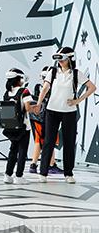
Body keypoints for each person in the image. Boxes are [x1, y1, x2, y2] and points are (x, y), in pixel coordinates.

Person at [36, 47, 96, 184]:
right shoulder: (52, 72)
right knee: (49, 141)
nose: (60, 62)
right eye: (58, 59)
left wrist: (78, 100)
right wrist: (39, 103)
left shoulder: (76, 74)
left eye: (62, 59)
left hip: (69, 112)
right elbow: (45, 88)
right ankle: (43, 172)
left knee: (69, 142)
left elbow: (92, 87)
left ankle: (68, 174)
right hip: (52, 110)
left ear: (69, 59)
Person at [2, 69, 35, 185]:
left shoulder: (7, 93)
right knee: (22, 152)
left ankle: (8, 175)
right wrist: (35, 108)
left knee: (13, 150)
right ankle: (19, 176)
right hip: (23, 127)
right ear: (19, 79)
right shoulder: (24, 91)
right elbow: (28, 108)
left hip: (10, 127)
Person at [29, 66, 62, 175]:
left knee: (41, 141)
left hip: (37, 118)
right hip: (44, 118)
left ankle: (39, 165)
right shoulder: (45, 88)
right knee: (44, 141)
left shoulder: (39, 87)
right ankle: (48, 165)